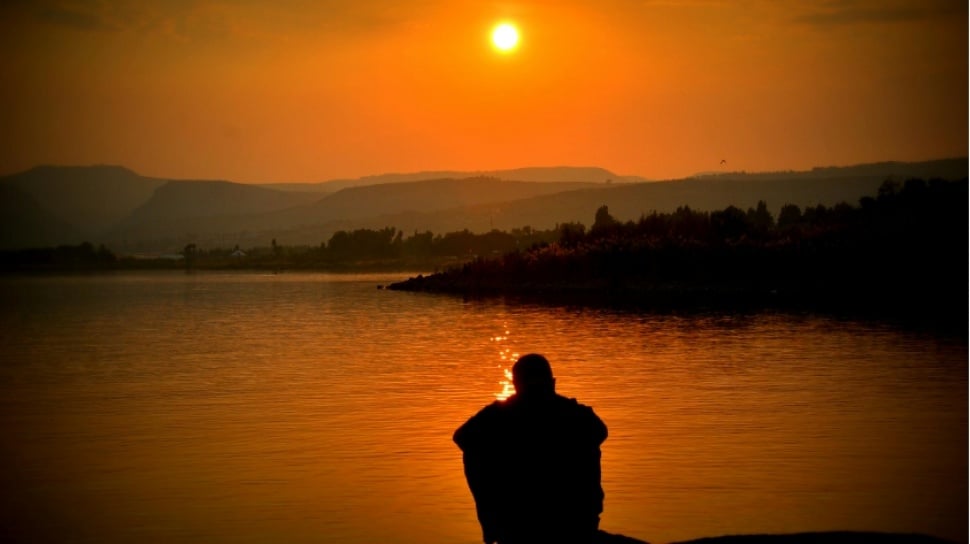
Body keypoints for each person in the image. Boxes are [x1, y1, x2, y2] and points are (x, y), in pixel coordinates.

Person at [454, 353, 608, 544]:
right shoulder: (574, 413)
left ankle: (495, 523)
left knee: (475, 451)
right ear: (552, 383)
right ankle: (497, 522)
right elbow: (601, 432)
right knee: (474, 452)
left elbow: (462, 437)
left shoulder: (501, 415)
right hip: (542, 517)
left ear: (516, 385)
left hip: (552, 516)